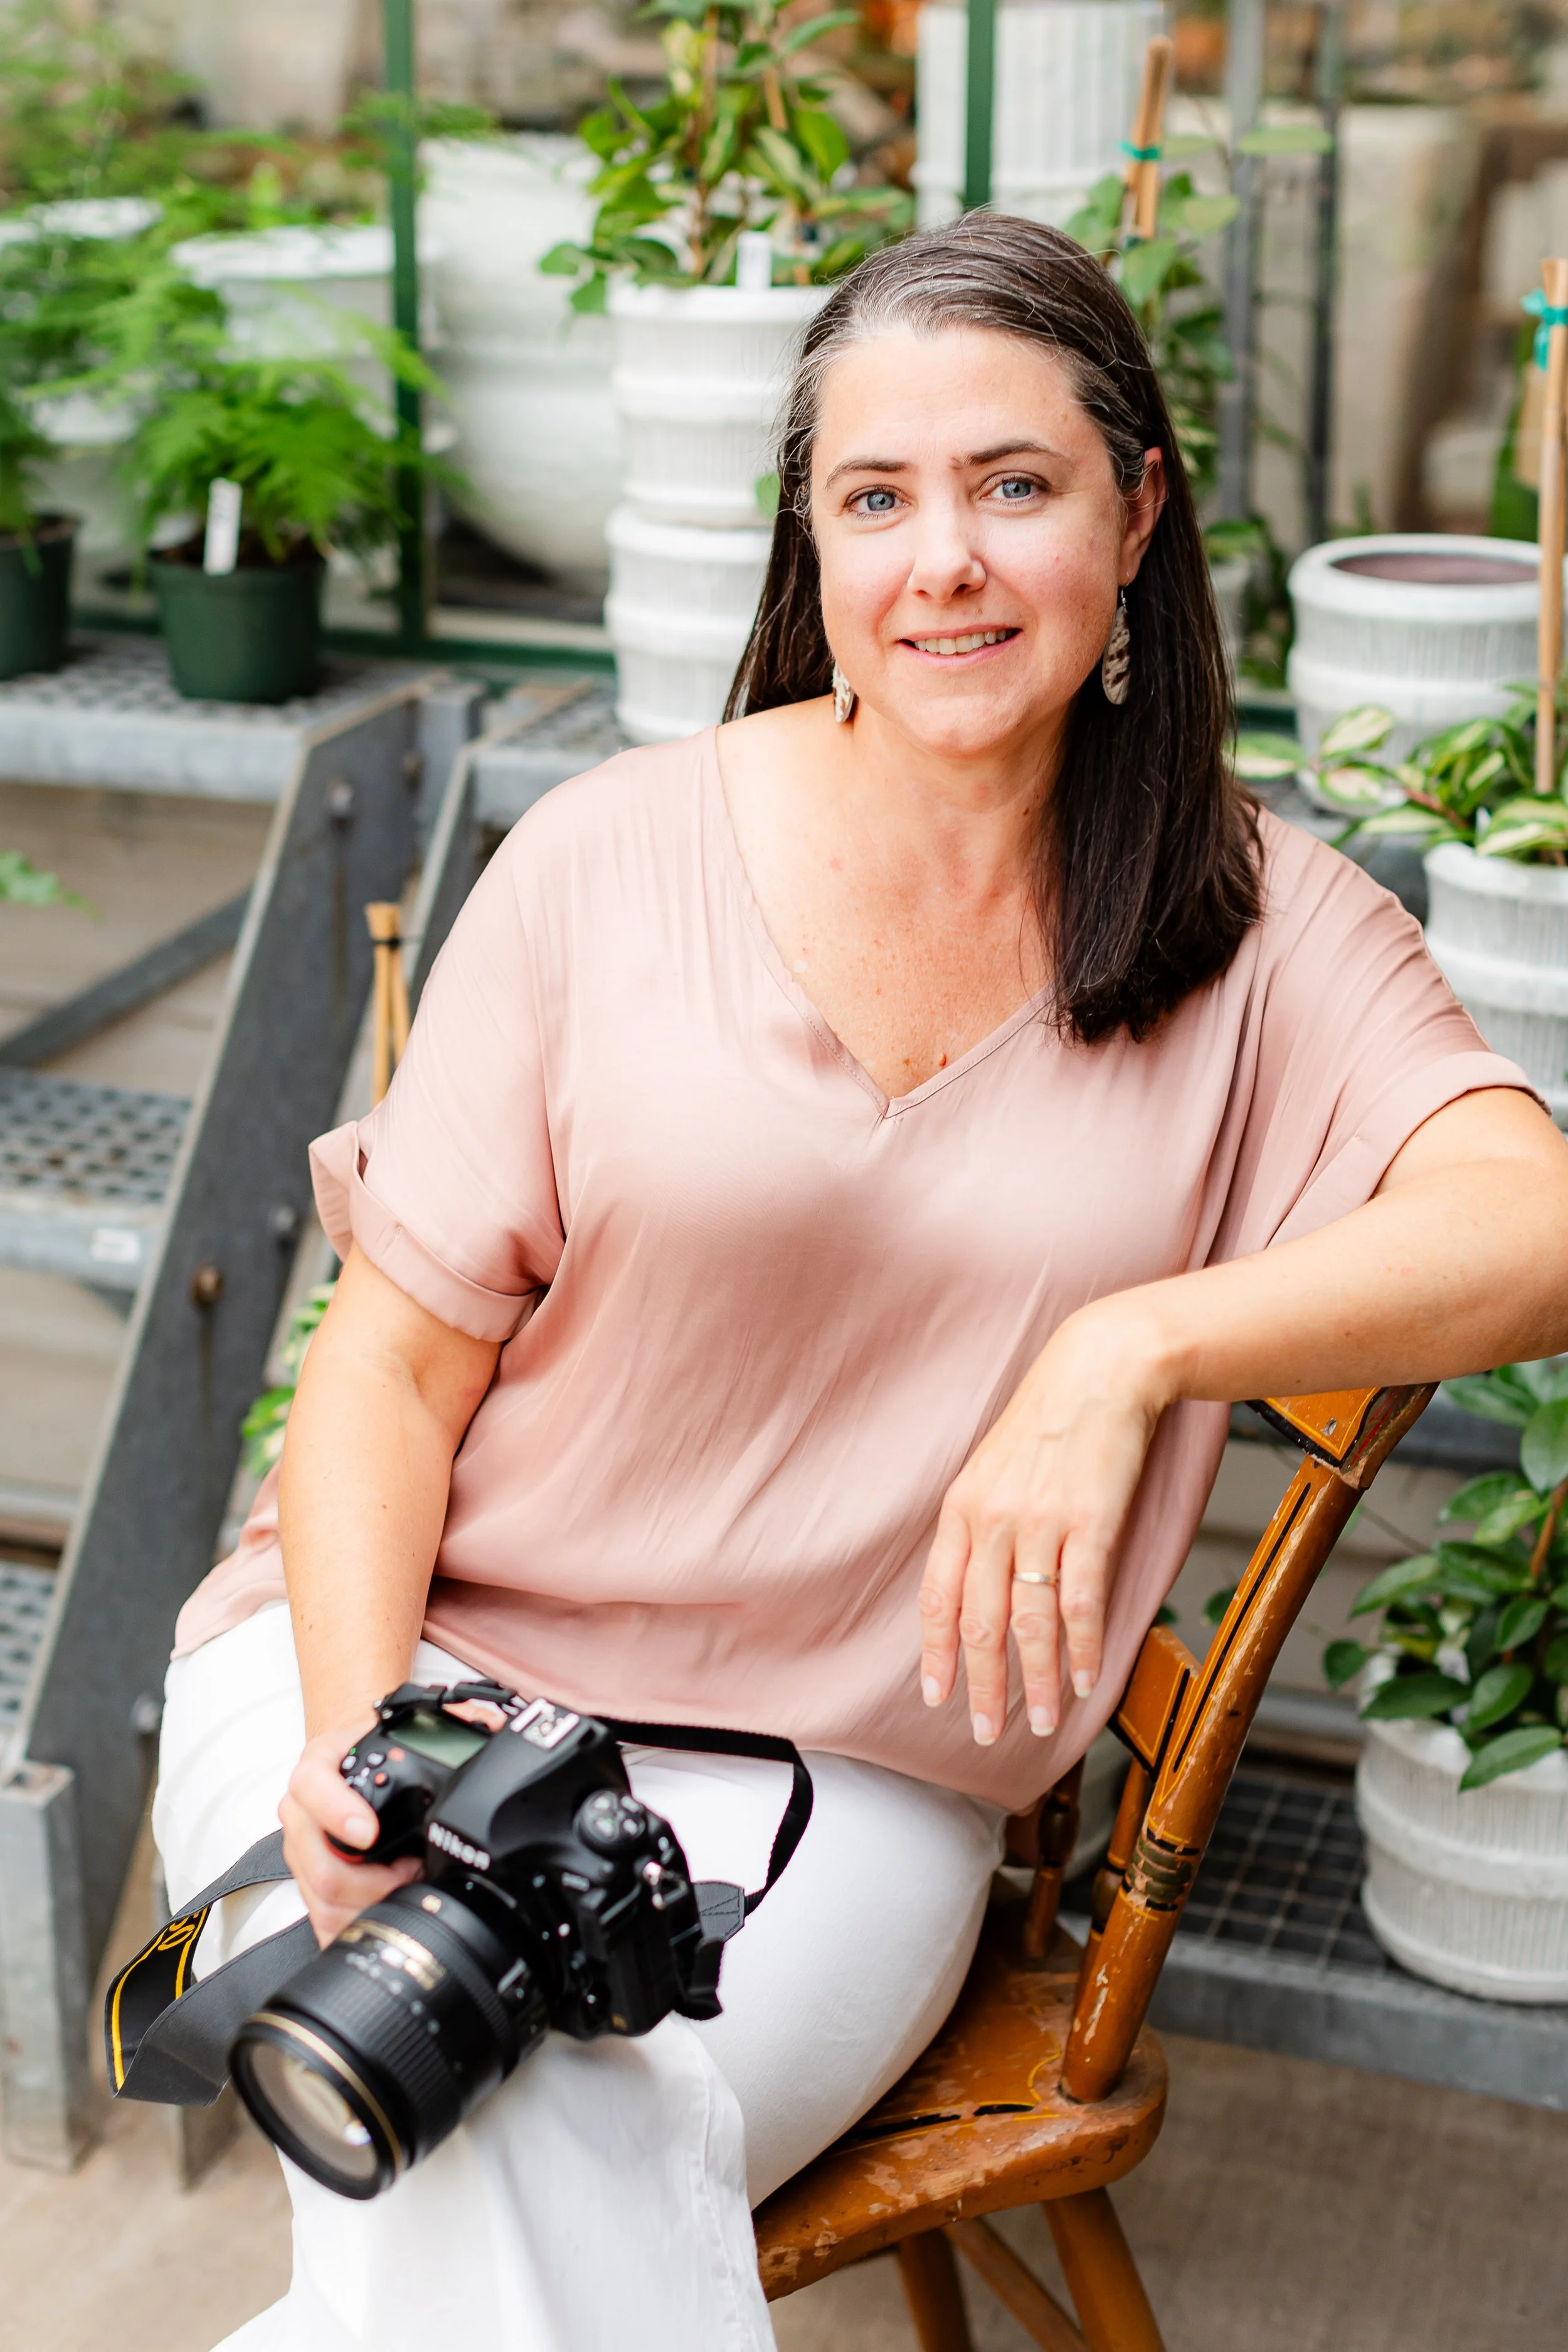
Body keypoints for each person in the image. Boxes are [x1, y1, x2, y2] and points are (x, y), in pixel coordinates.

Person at [156, 214, 1568, 2350]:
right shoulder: (608, 857)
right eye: (875, 499)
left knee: (491, 2119)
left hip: (848, 1769)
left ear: (1135, 506)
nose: (945, 565)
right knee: (459, 2082)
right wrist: (363, 1742)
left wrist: (1132, 1342)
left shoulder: (1261, 931)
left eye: (1013, 484)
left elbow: (1532, 1225)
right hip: (403, 1661)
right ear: (809, 545)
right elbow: (383, 1378)